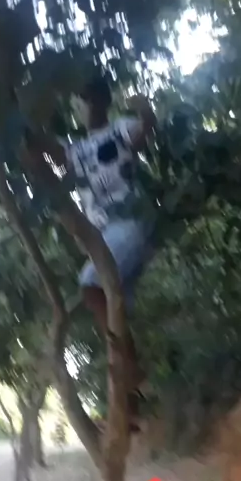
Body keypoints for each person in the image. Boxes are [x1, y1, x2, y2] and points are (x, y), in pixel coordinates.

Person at [27, 73, 156, 418]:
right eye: (79, 101)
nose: (82, 106)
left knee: (90, 286)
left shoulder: (119, 129)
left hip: (130, 223)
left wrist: (144, 109)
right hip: (104, 236)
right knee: (115, 313)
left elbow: (144, 130)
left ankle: (133, 373)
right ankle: (130, 404)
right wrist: (26, 121)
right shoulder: (75, 149)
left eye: (87, 99)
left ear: (102, 101)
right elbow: (44, 148)